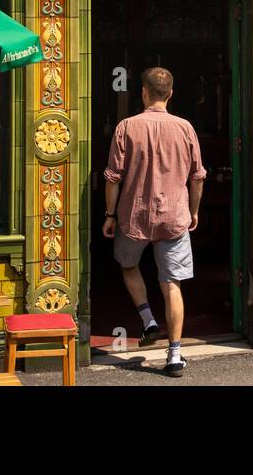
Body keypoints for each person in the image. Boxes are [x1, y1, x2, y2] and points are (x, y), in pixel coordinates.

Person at [102, 67, 206, 377]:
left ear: (144, 93)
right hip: (175, 216)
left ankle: (148, 321)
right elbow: (198, 177)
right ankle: (174, 356)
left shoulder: (126, 127)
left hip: (133, 216)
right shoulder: (186, 128)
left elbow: (112, 178)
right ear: (170, 94)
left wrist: (109, 215)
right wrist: (194, 210)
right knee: (171, 284)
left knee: (128, 265)